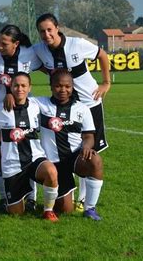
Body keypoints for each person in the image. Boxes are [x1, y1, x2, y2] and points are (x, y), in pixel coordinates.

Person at [34, 13, 110, 210]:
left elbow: (102, 55)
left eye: (49, 29)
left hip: (88, 103)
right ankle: (68, 190)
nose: (46, 34)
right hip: (62, 104)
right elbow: (22, 52)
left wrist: (106, 83)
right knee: (63, 146)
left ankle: (84, 199)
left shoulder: (77, 44)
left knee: (90, 151)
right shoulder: (39, 50)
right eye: (42, 31)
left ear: (57, 28)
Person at [0, 24, 42, 212]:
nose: (1, 46)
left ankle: (32, 198)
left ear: (17, 43)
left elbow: (49, 60)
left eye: (5, 43)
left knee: (28, 153)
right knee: (0, 155)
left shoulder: (30, 54)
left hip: (23, 111)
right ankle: (5, 197)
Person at [33, 69, 104, 220]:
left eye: (67, 86)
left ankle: (90, 208)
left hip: (73, 158)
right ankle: (46, 196)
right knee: (66, 210)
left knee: (95, 159)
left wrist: (86, 146)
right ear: (51, 86)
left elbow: (89, 136)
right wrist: (9, 95)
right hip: (52, 163)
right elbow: (21, 98)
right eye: (58, 86)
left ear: (72, 87)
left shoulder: (82, 109)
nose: (63, 90)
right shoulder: (39, 104)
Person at [0, 72, 59, 221]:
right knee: (16, 213)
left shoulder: (36, 105)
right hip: (12, 164)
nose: (19, 89)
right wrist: (4, 139)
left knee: (51, 171)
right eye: (16, 85)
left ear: (29, 88)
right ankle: (9, 200)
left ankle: (48, 210)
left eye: (23, 85)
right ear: (11, 87)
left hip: (35, 159)